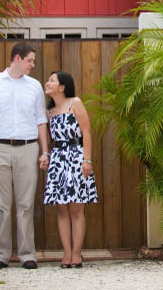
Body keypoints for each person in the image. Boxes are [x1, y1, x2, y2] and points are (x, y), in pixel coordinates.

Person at [0, 42, 50, 270]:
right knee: (1, 206)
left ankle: (28, 255)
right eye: (30, 60)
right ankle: (0, 255)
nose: (32, 64)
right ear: (17, 58)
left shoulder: (35, 86)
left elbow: (41, 120)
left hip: (28, 149)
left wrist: (44, 150)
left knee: (26, 205)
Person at [43, 71, 98, 269]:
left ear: (62, 86)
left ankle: (77, 253)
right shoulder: (49, 111)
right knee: (61, 208)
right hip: (58, 159)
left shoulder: (75, 103)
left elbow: (86, 131)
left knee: (76, 207)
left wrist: (87, 159)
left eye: (52, 80)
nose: (47, 83)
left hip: (76, 157)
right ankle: (66, 253)